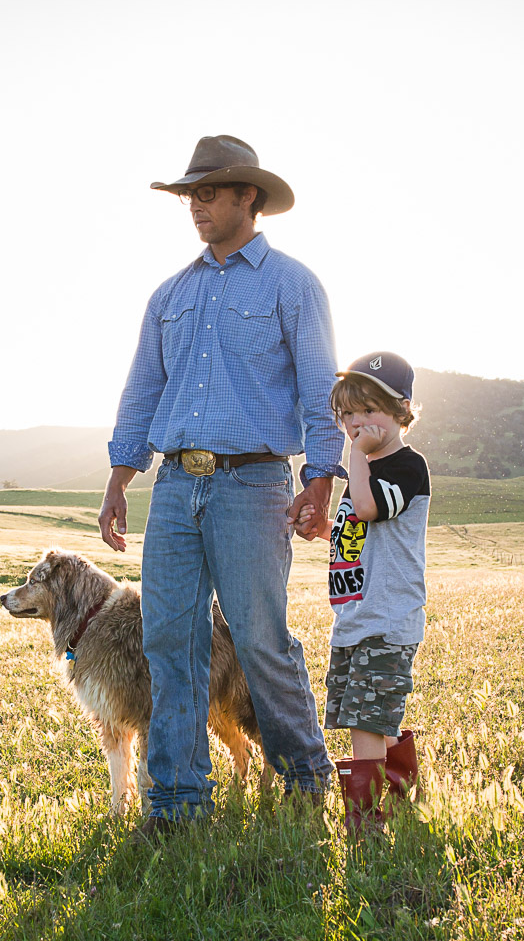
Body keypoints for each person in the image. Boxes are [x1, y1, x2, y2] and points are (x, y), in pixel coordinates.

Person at [99, 134, 346, 833]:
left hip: (254, 485)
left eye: (209, 193)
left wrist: (320, 480)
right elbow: (142, 392)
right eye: (190, 195)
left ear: (249, 198)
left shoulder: (292, 285)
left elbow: (318, 387)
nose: (196, 206)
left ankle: (305, 781)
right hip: (175, 489)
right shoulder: (169, 295)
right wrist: (120, 479)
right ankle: (177, 802)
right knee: (168, 642)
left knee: (262, 640)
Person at [322, 352, 430, 832]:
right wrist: (322, 528)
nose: (356, 423)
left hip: (387, 619)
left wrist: (353, 457)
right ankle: (406, 792)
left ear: (402, 409)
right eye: (348, 414)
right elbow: (357, 532)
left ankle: (364, 822)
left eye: (369, 410)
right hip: (356, 617)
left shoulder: (407, 467)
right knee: (368, 712)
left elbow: (367, 508)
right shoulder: (366, 474)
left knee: (365, 719)